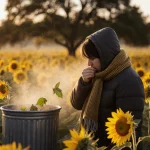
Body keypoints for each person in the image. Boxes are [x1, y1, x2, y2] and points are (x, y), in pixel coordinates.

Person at [70, 27, 144, 149]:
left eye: (92, 58)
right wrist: (83, 83)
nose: (89, 63)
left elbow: (129, 133)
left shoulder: (129, 81)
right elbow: (76, 104)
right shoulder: (99, 75)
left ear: (105, 55)